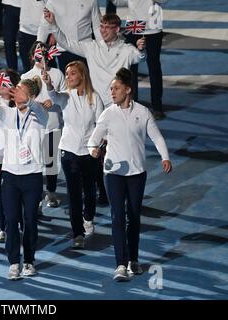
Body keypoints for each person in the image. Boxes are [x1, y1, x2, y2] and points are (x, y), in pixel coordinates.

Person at [88, 67, 172, 281]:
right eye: (111, 89)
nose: (112, 92)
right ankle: (120, 265)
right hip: (113, 173)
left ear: (128, 89)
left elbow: (157, 137)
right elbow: (93, 140)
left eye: (116, 88)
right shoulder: (107, 113)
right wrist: (94, 149)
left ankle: (133, 259)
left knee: (133, 217)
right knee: (117, 216)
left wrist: (165, 157)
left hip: (137, 173)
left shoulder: (142, 112)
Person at [0, 73, 48, 280]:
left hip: (32, 176)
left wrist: (30, 102)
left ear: (31, 95)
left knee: (30, 220)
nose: (16, 93)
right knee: (12, 220)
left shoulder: (39, 116)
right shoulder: (8, 114)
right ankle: (14, 262)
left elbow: (40, 110)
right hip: (11, 177)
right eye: (15, 90)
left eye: (21, 91)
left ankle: (29, 261)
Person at [42, 60, 104, 247]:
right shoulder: (65, 97)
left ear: (82, 75)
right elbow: (53, 95)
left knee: (90, 190)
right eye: (67, 74)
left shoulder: (95, 97)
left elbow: (101, 125)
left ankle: (88, 218)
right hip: (68, 151)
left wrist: (97, 146)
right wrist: (48, 84)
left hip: (89, 151)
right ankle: (77, 233)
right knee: (74, 193)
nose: (68, 76)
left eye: (72, 73)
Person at [43, 12, 146, 109]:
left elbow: (140, 57)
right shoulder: (92, 47)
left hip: (117, 103)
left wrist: (141, 49)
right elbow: (67, 43)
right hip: (95, 103)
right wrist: (53, 25)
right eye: (101, 26)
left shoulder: (126, 49)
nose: (103, 30)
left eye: (107, 27)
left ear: (117, 29)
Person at [21, 41, 66, 211]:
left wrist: (52, 100)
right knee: (36, 163)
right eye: (39, 53)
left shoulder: (58, 74)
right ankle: (37, 199)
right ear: (33, 56)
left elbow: (64, 97)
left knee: (51, 161)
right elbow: (22, 100)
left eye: (45, 52)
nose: (42, 56)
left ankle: (52, 191)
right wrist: (37, 103)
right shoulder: (26, 76)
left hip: (53, 123)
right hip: (34, 126)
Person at [112, 0, 168, 120]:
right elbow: (118, 2)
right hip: (134, 26)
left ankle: (157, 106)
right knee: (131, 68)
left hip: (153, 28)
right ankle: (131, 102)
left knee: (154, 67)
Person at [0, 68, 21, 243]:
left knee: (17, 197)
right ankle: (4, 227)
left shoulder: (20, 105)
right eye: (0, 82)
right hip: (0, 158)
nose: (2, 85)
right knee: (1, 196)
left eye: (6, 81)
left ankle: (19, 224)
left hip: (17, 158)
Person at [37, 0, 102, 72]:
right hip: (62, 50)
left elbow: (97, 27)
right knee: (65, 81)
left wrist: (103, 49)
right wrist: (37, 51)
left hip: (85, 50)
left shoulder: (92, 1)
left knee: (86, 82)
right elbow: (44, 26)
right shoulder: (52, 1)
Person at [18, 0, 46, 73]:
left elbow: (55, 8)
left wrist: (53, 33)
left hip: (44, 32)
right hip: (24, 30)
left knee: (46, 67)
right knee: (27, 66)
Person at [2, 0, 21, 70]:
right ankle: (12, 73)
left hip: (31, 6)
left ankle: (33, 73)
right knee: (8, 41)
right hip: (10, 5)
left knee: (29, 42)